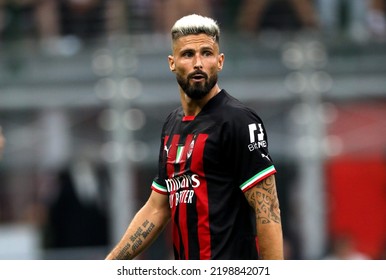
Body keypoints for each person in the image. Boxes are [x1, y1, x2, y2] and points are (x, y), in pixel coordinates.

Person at [105, 14, 284, 260]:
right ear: (172, 62)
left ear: (220, 61)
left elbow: (268, 210)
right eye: (188, 54)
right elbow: (157, 208)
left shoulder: (239, 121)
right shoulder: (171, 125)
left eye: (207, 53)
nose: (198, 63)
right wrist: (109, 265)